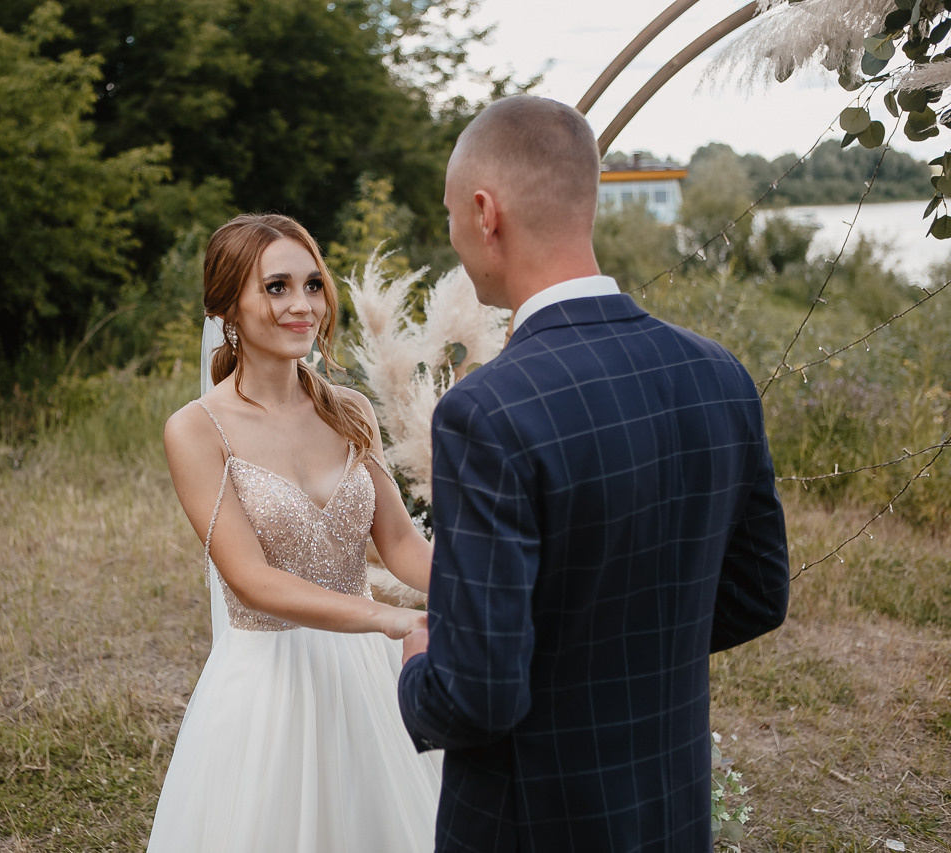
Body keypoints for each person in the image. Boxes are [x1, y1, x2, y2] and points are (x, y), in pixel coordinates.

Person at [397, 95, 790, 851]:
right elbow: (757, 595)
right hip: (670, 806)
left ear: (486, 213)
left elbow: (475, 693)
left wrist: (418, 667)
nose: (452, 235)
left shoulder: (487, 410)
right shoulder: (719, 372)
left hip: (535, 821)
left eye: (449, 214)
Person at [147, 213, 441, 853]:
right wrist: (387, 619)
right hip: (268, 683)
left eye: (312, 284)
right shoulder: (197, 429)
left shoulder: (349, 410)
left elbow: (397, 545)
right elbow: (251, 581)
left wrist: (483, 579)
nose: (302, 305)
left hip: (368, 675)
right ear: (229, 304)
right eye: (276, 287)